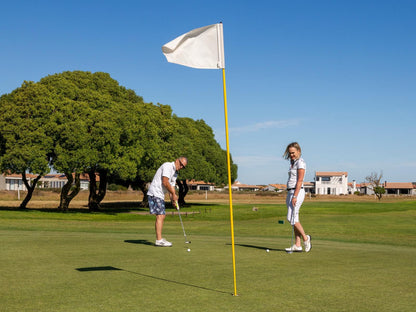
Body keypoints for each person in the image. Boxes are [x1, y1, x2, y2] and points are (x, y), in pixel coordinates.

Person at [147, 157, 188, 247]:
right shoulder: (167, 166)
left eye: (183, 167)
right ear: (177, 160)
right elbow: (165, 182)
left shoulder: (175, 173)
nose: (181, 167)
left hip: (160, 194)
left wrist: (173, 199)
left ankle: (159, 239)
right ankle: (159, 240)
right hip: (155, 192)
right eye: (181, 164)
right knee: (161, 215)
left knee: (162, 215)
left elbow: (171, 188)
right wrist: (173, 194)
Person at [283, 142, 311, 252]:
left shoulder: (301, 163)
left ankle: (306, 238)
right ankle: (298, 245)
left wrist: (295, 196)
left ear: (298, 151)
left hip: (297, 193)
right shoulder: (293, 162)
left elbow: (300, 180)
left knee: (292, 218)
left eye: (293, 153)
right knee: (294, 218)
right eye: (290, 153)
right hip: (290, 192)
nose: (291, 155)